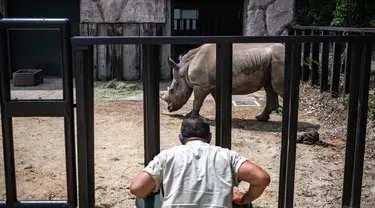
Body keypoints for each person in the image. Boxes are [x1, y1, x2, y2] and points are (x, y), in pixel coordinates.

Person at [130, 115, 270, 207]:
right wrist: (244, 199)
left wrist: (149, 191)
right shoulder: (227, 156)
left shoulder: (167, 156)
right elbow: (262, 178)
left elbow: (137, 188)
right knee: (245, 205)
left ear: (180, 138)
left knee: (143, 199)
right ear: (209, 137)